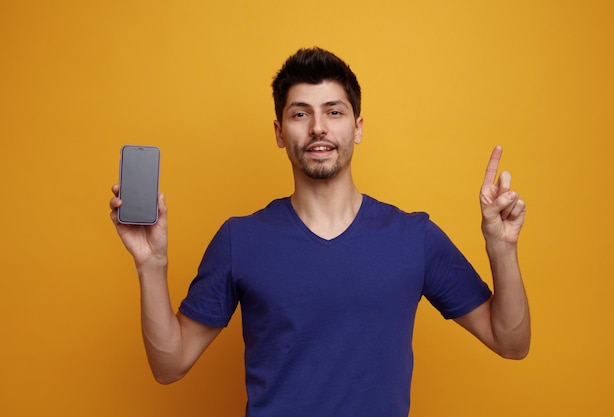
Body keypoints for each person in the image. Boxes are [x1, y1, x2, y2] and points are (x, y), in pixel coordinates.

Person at [110, 47, 530, 417]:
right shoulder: (240, 240)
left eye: (334, 111)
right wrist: (151, 265)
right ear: (279, 132)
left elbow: (510, 342)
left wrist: (502, 249)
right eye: (300, 113)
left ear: (358, 127)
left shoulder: (414, 237)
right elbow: (170, 366)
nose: (318, 128)